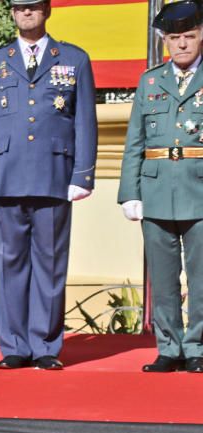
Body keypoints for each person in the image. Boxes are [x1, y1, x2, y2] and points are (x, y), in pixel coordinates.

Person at [0, 0, 97, 370]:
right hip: (6, 176)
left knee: (51, 262)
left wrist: (82, 174)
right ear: (12, 13)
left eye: (34, 7)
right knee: (8, 264)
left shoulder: (73, 59)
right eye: (19, 7)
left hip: (53, 175)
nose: (26, 13)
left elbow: (85, 121)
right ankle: (13, 345)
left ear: (47, 11)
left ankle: (44, 344)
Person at [120, 0, 203, 373]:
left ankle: (197, 346)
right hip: (155, 191)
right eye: (175, 38)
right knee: (163, 277)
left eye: (190, 36)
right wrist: (129, 192)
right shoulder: (150, 81)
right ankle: (169, 347)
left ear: (201, 36)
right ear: (164, 40)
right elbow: (134, 141)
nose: (182, 44)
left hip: (199, 189)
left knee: (201, 278)